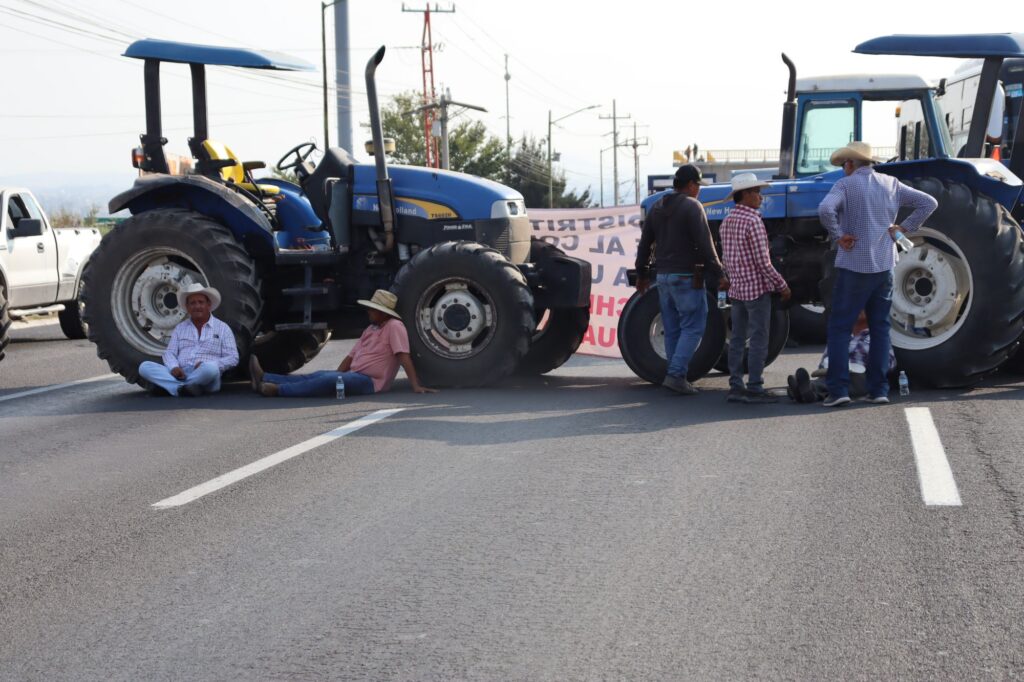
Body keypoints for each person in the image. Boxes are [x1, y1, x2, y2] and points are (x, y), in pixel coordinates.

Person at [817, 141, 937, 407]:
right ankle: (878, 390)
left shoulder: (845, 185)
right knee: (880, 328)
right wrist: (904, 228)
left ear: (850, 164)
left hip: (853, 266)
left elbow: (825, 210)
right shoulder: (891, 183)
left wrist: (839, 236)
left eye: (843, 165)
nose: (843, 170)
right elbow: (928, 202)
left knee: (839, 328)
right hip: (884, 266)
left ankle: (838, 391)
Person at [636, 163, 729, 395]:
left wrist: (642, 274)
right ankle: (676, 374)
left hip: (664, 278)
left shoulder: (657, 207)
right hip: (686, 276)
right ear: (690, 185)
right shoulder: (692, 206)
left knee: (673, 327)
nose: (699, 190)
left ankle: (674, 373)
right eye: (698, 185)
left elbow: (645, 244)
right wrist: (720, 274)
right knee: (694, 326)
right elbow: (707, 246)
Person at [249, 289, 436, 398]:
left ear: (383, 313)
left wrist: (415, 385)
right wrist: (339, 373)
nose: (369, 312)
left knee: (328, 380)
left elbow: (403, 356)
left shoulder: (394, 326)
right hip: (356, 375)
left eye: (373, 310)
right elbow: (351, 356)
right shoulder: (370, 329)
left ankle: (278, 390)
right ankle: (266, 377)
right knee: (318, 375)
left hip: (371, 382)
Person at [719, 173, 792, 404]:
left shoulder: (727, 221)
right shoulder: (754, 221)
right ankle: (755, 386)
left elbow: (725, 260)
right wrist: (782, 285)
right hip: (756, 290)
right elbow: (763, 262)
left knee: (738, 338)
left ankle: (735, 385)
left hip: (737, 290)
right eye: (757, 192)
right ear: (746, 195)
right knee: (760, 338)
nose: (760, 196)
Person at [138, 282, 238, 396]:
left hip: (205, 375)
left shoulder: (223, 328)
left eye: (201, 302)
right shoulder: (180, 328)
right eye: (192, 303)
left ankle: (172, 387)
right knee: (144, 366)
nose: (197, 306)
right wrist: (174, 367)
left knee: (211, 369)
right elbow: (170, 352)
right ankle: (183, 389)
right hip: (182, 373)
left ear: (208, 305)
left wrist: (210, 364)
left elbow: (233, 357)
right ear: (187, 307)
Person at [787, 311, 897, 403]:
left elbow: (890, 362)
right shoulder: (842, 336)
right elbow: (825, 360)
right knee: (827, 379)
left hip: (861, 375)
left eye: (864, 307)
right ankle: (806, 392)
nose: (860, 310)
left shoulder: (877, 336)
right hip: (835, 372)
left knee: (839, 382)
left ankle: (804, 390)